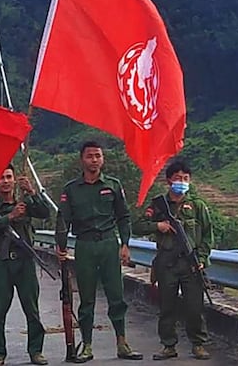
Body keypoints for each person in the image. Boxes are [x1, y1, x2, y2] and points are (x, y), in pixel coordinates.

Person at [55, 141, 143, 363]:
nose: (94, 160)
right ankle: (87, 345)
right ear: (81, 159)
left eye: (98, 156)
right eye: (89, 156)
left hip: (108, 245)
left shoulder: (113, 185)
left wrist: (125, 243)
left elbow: (123, 217)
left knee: (116, 295)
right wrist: (61, 246)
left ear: (102, 159)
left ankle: (122, 342)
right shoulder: (71, 189)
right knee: (86, 299)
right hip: (84, 246)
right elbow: (63, 220)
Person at [132, 158, 214, 361]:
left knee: (194, 306)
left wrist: (202, 258)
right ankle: (168, 345)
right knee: (167, 306)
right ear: (169, 181)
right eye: (178, 178)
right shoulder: (158, 205)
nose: (182, 182)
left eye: (186, 178)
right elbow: (138, 225)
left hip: (191, 263)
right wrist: (157, 226)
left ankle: (198, 344)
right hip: (167, 263)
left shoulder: (197, 206)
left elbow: (207, 235)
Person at [0, 164, 50, 366]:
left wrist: (32, 192)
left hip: (25, 261)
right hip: (3, 262)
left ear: (14, 179)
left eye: (9, 177)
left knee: (32, 309)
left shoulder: (25, 203)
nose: (5, 181)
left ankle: (36, 351)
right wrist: (9, 217)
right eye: (1, 178)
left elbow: (46, 213)